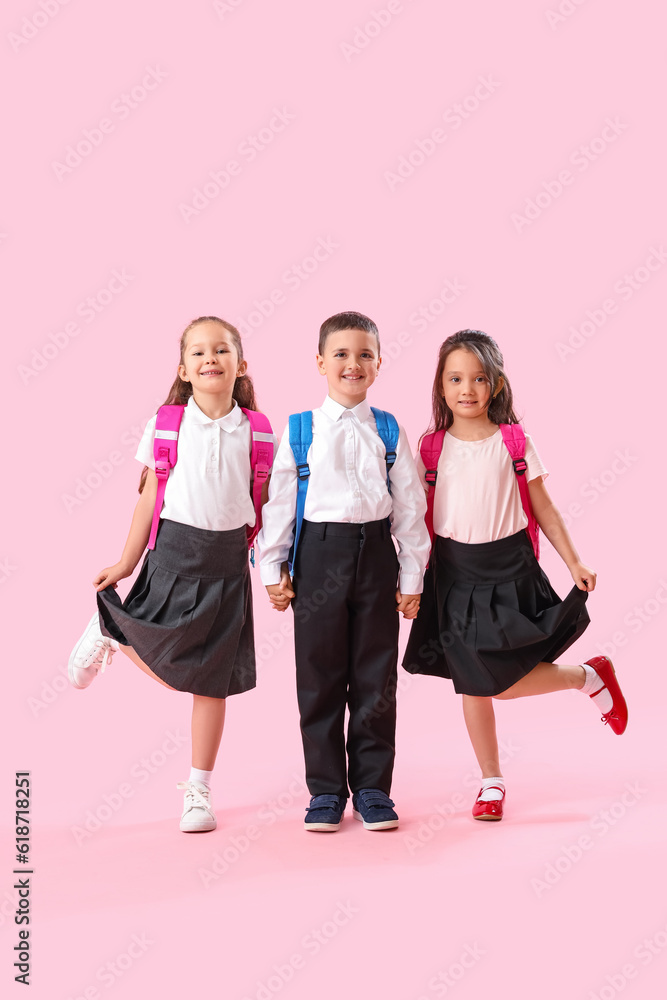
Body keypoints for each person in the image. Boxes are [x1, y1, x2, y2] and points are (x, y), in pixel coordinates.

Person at [403, 329, 627, 821]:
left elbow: (544, 508)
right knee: (472, 683)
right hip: (454, 575)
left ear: (496, 385)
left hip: (509, 571)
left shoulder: (515, 442)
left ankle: (586, 677)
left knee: (499, 682)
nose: (467, 389)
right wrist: (411, 581)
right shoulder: (431, 448)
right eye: (455, 378)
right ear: (441, 387)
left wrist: (575, 561)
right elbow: (415, 519)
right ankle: (491, 782)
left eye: (479, 378)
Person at [68, 316, 273, 833]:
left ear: (240, 364)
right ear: (183, 369)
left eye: (222, 350)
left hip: (228, 567)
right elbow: (148, 499)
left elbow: (268, 504)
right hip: (173, 557)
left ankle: (199, 789)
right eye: (199, 352)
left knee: (214, 684)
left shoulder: (259, 431)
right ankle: (111, 631)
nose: (210, 358)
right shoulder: (167, 423)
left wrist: (275, 568)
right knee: (171, 661)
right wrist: (125, 562)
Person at [258, 311, 430, 832]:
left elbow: (411, 508)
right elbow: (280, 504)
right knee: (319, 676)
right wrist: (272, 568)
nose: (352, 364)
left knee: (376, 678)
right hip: (319, 554)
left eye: (364, 354)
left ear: (378, 364)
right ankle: (327, 791)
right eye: (341, 354)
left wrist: (411, 577)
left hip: (376, 556)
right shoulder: (300, 429)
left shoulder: (387, 427)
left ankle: (374, 789)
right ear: (320, 362)